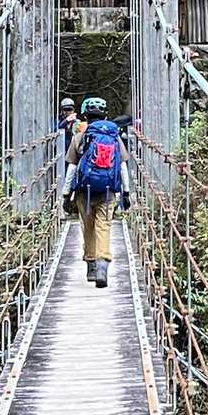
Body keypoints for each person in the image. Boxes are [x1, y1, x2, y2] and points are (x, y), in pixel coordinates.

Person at [60, 96, 130, 287]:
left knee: (88, 226)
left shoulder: (79, 137)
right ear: (105, 116)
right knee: (104, 226)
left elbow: (72, 169)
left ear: (85, 116)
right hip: (108, 191)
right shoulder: (114, 137)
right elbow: (122, 167)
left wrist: (66, 195)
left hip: (84, 192)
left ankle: (91, 265)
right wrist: (126, 193)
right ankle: (102, 266)